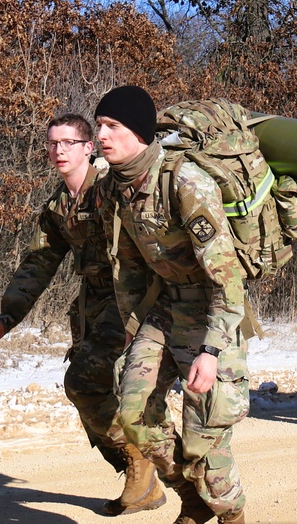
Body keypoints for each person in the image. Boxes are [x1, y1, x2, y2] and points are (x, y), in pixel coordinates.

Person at [0, 113, 165, 516]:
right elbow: (40, 261)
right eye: (52, 144)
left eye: (68, 143)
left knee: (84, 382)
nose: (58, 151)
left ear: (88, 148)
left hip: (132, 299)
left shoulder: (112, 188)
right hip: (93, 303)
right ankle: (139, 473)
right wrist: (8, 316)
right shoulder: (59, 204)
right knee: (88, 393)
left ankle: (147, 463)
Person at [96, 86, 249, 524]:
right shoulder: (115, 188)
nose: (102, 135)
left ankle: (231, 514)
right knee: (133, 415)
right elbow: (126, 263)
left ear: (140, 133)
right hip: (163, 309)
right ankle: (193, 498)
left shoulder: (185, 181)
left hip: (211, 315)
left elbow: (227, 277)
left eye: (113, 126)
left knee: (207, 442)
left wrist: (212, 351)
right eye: (100, 125)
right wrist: (132, 326)